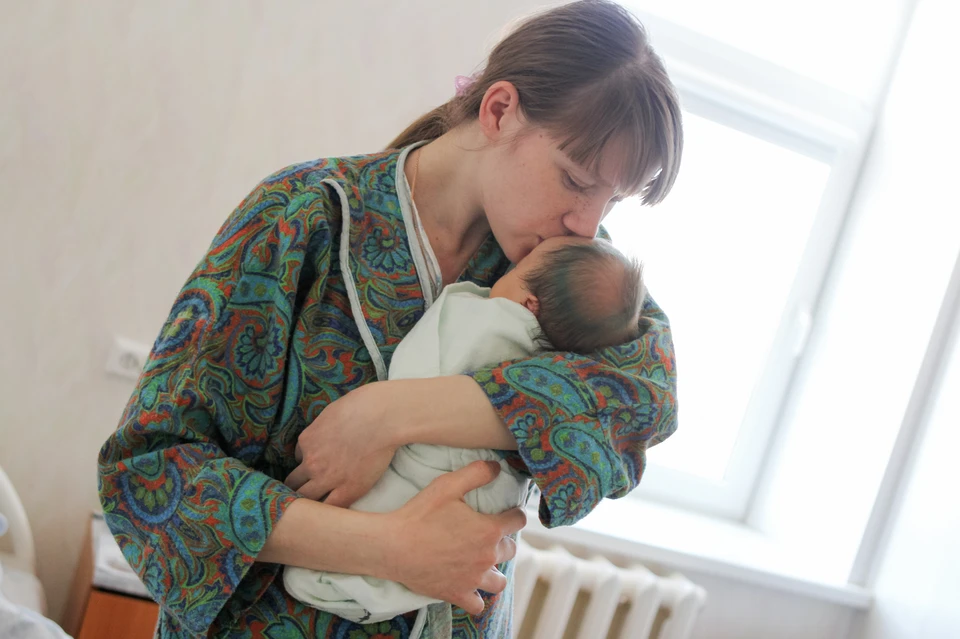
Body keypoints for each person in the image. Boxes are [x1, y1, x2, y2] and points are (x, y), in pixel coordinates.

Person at [96, 1, 683, 637]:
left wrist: (390, 414)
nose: (587, 224)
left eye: (612, 201)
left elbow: (643, 401)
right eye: (575, 180)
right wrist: (390, 548)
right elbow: (152, 471)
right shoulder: (301, 216)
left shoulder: (565, 266)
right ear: (499, 110)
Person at [283, 237, 646, 637]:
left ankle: (346, 583)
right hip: (469, 520)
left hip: (453, 500)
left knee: (404, 495)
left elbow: (419, 368)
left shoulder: (505, 316)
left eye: (519, 270)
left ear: (529, 305)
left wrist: (388, 412)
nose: (587, 223)